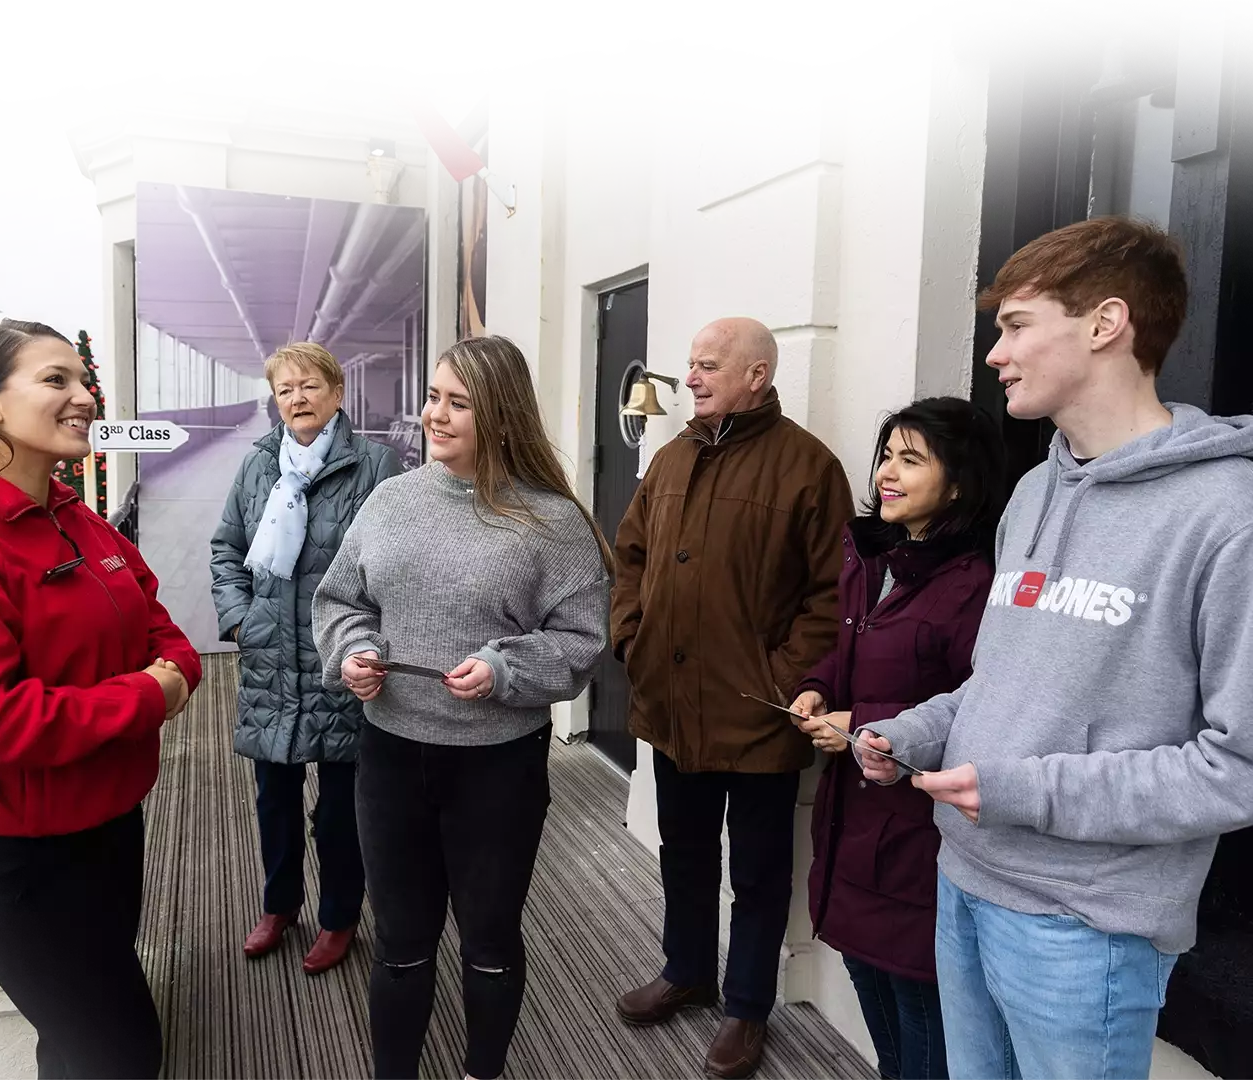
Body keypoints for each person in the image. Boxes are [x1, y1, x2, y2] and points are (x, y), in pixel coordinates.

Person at [857, 216, 1253, 1080]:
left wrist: (1016, 788)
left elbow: (1236, 766)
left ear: (1104, 323)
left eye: (1014, 325)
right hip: (962, 876)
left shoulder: (1229, 514)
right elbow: (1001, 682)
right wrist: (915, 730)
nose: (994, 353)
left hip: (1085, 925)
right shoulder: (1034, 489)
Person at [0, 319, 201, 1080]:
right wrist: (149, 695)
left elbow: (170, 637)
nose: (84, 396)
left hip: (109, 825)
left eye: (82, 382)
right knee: (121, 1054)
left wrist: (166, 674)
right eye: (56, 381)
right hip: (18, 858)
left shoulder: (79, 521)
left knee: (74, 1045)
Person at [312, 335, 611, 1080]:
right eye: (432, 397)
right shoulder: (391, 500)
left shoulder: (549, 521)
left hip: (496, 770)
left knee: (487, 941)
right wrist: (350, 650)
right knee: (401, 942)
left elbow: (581, 640)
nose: (432, 416)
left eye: (456, 402)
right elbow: (341, 597)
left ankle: (481, 1071)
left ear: (500, 415)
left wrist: (505, 667)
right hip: (388, 756)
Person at [611, 316, 854, 1079]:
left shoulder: (808, 468)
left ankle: (745, 1008)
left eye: (707, 364)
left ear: (756, 374)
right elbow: (630, 557)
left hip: (759, 716)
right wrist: (632, 640)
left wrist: (782, 683)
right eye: (690, 364)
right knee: (681, 853)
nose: (690, 377)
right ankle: (686, 970)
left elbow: (831, 596)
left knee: (755, 873)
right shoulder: (671, 457)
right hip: (671, 705)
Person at [790, 397, 1005, 1080]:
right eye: (886, 454)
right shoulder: (870, 556)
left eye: (910, 460)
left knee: (920, 1011)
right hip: (851, 820)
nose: (886, 472)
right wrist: (819, 686)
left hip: (917, 839)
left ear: (960, 481)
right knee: (867, 982)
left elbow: (980, 711)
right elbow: (845, 647)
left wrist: (864, 720)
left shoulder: (972, 585)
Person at [210, 341, 402, 973]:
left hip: (342, 658)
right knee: (274, 797)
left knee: (344, 805)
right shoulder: (259, 464)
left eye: (309, 386)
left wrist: (372, 638)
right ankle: (278, 904)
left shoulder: (377, 466)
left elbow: (398, 566)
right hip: (271, 657)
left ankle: (340, 915)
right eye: (285, 389)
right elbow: (227, 549)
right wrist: (241, 620)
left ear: (337, 393)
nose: (296, 398)